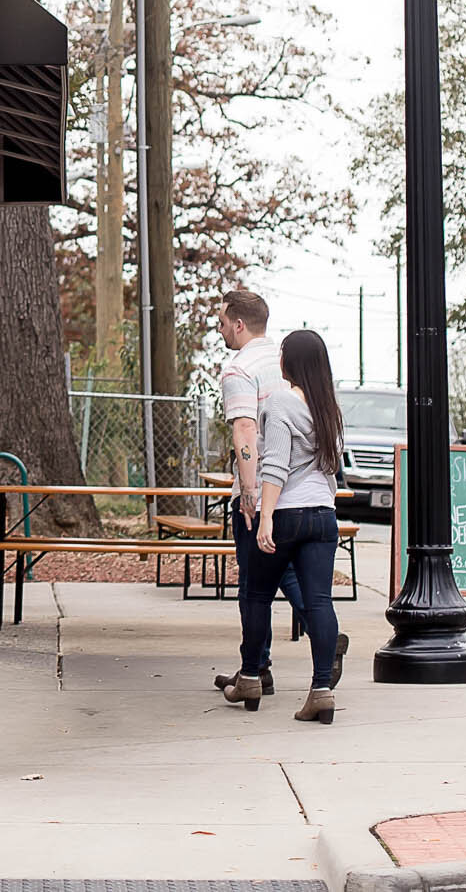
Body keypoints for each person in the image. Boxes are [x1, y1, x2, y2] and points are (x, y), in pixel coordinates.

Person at [221, 330, 348, 722]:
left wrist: (267, 517)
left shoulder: (280, 402)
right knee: (319, 601)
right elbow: (331, 466)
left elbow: (274, 464)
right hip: (323, 516)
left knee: (258, 596)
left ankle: (250, 677)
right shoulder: (330, 407)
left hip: (287, 513)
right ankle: (321, 690)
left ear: (289, 363)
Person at [210, 289, 308, 697]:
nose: (218, 330)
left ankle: (254, 670)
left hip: (260, 484)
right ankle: (317, 636)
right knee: (279, 569)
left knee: (252, 583)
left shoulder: (239, 369)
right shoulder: (284, 362)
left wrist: (248, 492)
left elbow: (245, 429)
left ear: (238, 323)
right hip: (297, 484)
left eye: (221, 322)